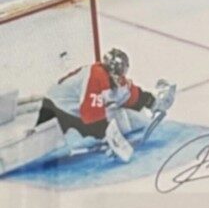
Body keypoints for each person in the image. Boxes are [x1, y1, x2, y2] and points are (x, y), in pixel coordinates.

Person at [34, 48, 173, 164]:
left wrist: (151, 102)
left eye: (122, 74)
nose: (120, 78)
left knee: (115, 122)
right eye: (117, 74)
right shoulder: (96, 76)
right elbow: (90, 113)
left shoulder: (115, 78)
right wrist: (105, 135)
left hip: (74, 106)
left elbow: (128, 95)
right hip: (55, 106)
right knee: (41, 148)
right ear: (110, 70)